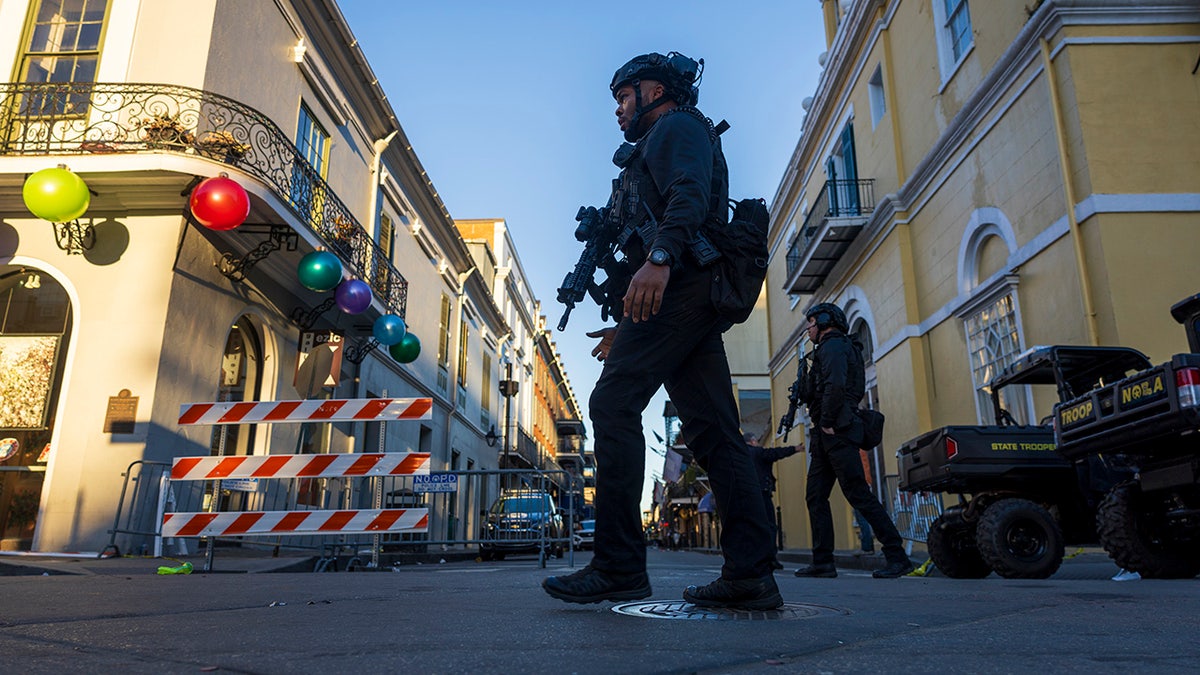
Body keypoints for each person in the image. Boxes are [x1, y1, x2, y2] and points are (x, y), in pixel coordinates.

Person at [542, 52, 782, 611]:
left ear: (654, 91)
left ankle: (619, 566)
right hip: (677, 298)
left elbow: (692, 196)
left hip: (682, 286)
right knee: (715, 434)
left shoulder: (676, 127)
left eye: (623, 97)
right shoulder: (650, 145)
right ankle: (751, 574)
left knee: (613, 403)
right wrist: (625, 321)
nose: (618, 109)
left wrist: (660, 257)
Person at [792, 303, 915, 580]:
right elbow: (823, 387)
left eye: (811, 322)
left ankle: (897, 556)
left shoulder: (834, 346)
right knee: (815, 495)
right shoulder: (827, 350)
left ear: (824, 321)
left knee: (857, 492)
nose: (809, 329)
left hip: (836, 429)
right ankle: (823, 561)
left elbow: (836, 386)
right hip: (827, 434)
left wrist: (827, 422)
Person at [744, 432, 800, 569]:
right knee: (769, 525)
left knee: (751, 526)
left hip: (746, 495)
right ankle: (769, 558)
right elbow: (775, 453)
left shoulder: (740, 455)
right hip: (762, 492)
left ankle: (753, 557)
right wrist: (795, 449)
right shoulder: (758, 452)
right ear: (752, 441)